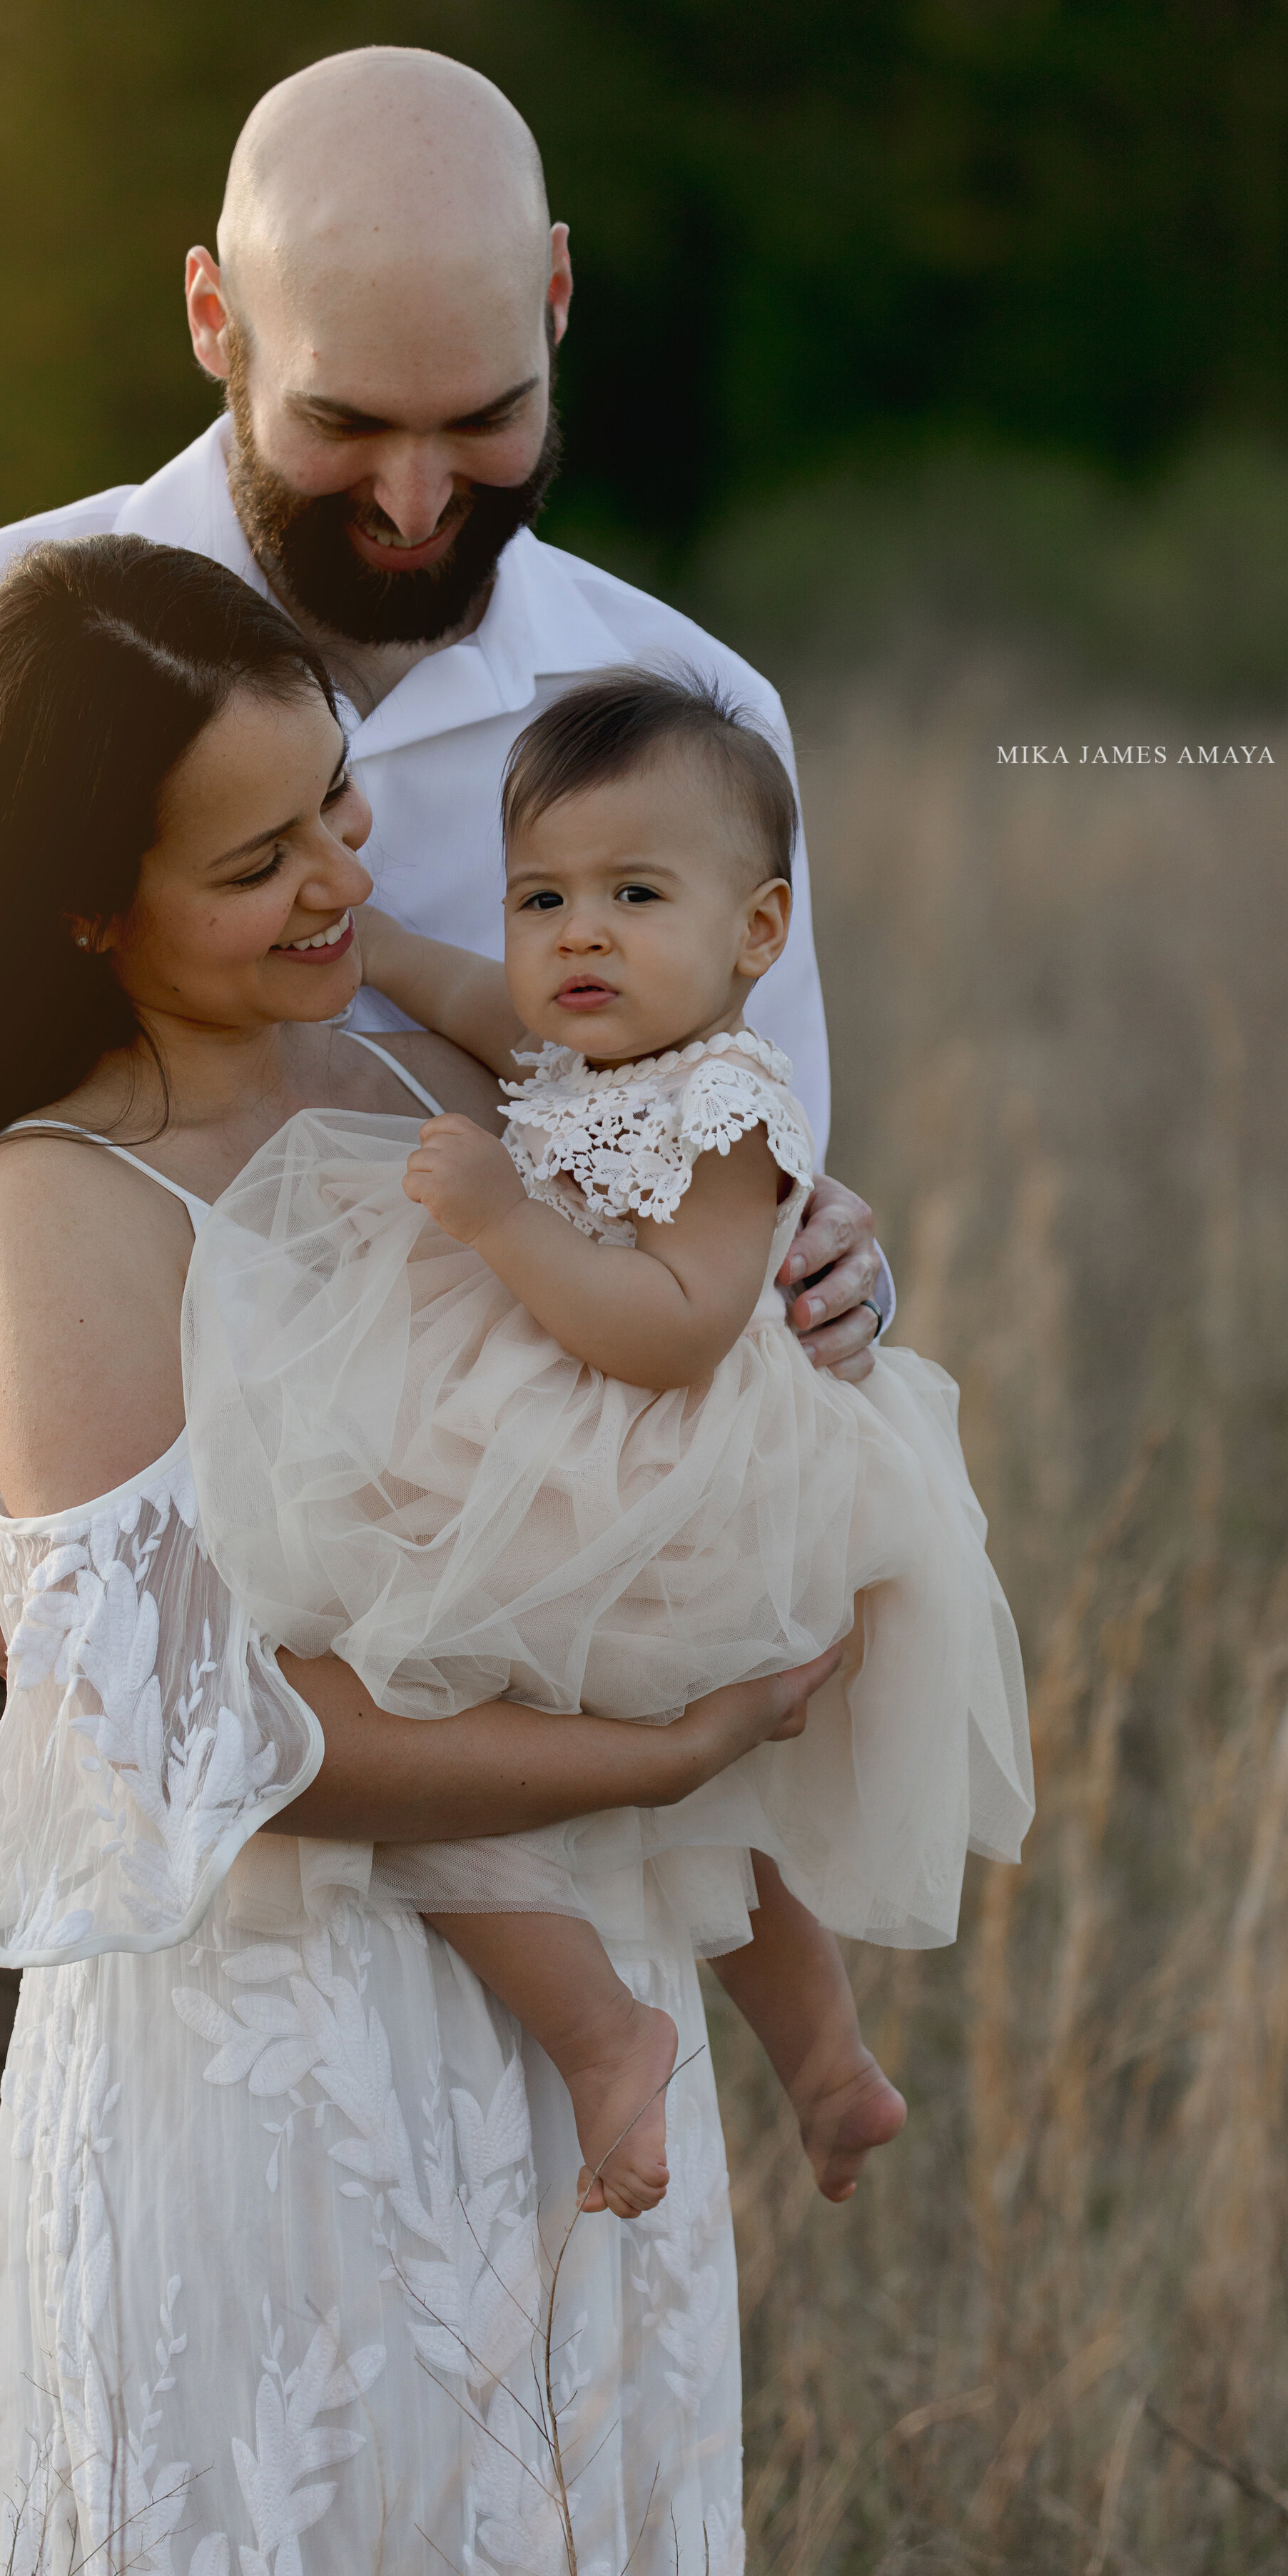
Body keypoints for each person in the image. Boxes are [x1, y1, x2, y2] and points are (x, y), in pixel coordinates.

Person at [0, 47, 886, 2576]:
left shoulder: (686, 723)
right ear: (213, 319)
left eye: (485, 420)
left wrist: (798, 1271)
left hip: (448, 1770)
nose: (420, 500)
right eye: (346, 425)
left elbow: (693, 1191)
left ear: (559, 313)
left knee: (399, 2489)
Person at [0, 535, 837, 2576]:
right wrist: (650, 1759)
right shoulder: (52, 1214)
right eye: (254, 860)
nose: (341, 885)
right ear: (90, 903)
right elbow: (207, 1732)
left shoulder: (430, 1073)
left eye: (340, 809)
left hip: (581, 2049)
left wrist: (822, 1265)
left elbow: (674, 1298)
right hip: (272, 2073)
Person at [185, 667, 1034, 2224]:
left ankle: (630, 2040)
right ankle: (819, 2063)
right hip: (575, 1450)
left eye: (632, 893)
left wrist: (501, 1221)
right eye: (540, 895)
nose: (575, 933)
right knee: (564, 1763)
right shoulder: (564, 1040)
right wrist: (317, 930)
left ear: (754, 934)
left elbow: (676, 1327)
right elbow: (426, 978)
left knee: (422, 1712)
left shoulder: (722, 1105)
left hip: (667, 1463)